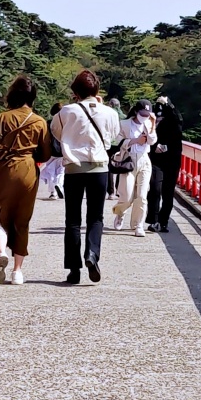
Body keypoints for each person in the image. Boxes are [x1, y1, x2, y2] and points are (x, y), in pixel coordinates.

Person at [0, 76, 51, 285]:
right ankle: (17, 272)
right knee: (21, 221)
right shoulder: (39, 121)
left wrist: (2, 153)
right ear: (32, 98)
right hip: (27, 173)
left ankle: (1, 252)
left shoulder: (1, 118)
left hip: (1, 171)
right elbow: (44, 154)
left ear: (12, 95)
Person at [51, 70, 122, 284]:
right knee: (95, 218)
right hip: (99, 169)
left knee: (72, 221)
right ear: (97, 90)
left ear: (75, 92)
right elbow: (115, 136)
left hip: (73, 169)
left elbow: (56, 132)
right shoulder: (109, 112)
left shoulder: (65, 112)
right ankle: (92, 254)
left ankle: (74, 270)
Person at [112, 100, 158, 237]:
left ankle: (138, 225)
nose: (144, 116)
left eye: (147, 114)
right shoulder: (125, 124)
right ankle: (120, 212)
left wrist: (153, 125)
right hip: (128, 160)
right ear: (136, 112)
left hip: (144, 160)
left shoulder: (149, 124)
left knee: (142, 196)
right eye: (142, 113)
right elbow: (116, 142)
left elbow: (152, 141)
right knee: (126, 195)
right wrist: (134, 141)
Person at [146, 95, 184, 232]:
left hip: (172, 159)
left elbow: (179, 122)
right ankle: (153, 220)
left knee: (168, 193)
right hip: (156, 158)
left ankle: (163, 221)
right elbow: (146, 135)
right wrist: (154, 146)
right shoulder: (152, 117)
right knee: (155, 189)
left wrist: (169, 105)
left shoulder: (174, 119)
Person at [41, 102, 66, 199]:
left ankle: (53, 192)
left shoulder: (48, 123)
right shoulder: (65, 123)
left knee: (51, 170)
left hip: (51, 150)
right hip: (62, 150)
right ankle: (59, 184)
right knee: (61, 171)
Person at [106, 97, 127, 200]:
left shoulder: (107, 115)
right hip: (120, 143)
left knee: (109, 166)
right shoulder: (124, 117)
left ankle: (111, 192)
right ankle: (119, 190)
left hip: (109, 143)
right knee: (120, 165)